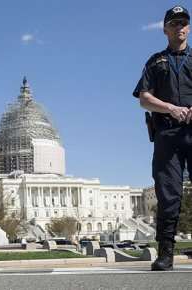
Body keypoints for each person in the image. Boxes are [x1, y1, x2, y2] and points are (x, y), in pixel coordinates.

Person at [133, 6, 191, 271]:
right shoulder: (156, 62)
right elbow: (144, 98)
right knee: (168, 195)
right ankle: (165, 253)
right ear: (165, 29)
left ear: (188, 27)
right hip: (167, 134)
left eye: (184, 23)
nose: (180, 27)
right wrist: (171, 108)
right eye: (174, 23)